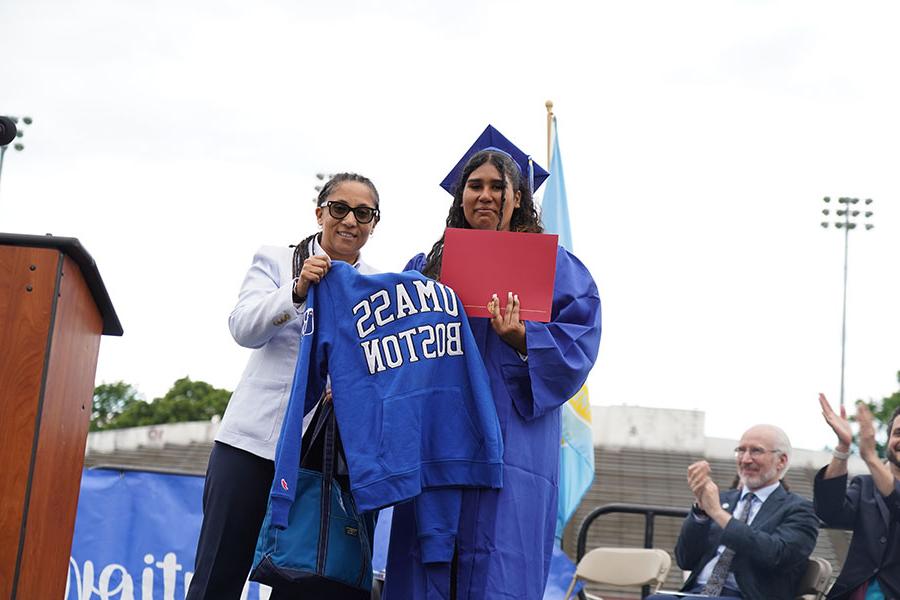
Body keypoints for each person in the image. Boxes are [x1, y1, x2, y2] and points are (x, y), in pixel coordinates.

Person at [383, 125, 602, 600]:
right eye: (474, 185)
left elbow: (579, 343)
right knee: (425, 560)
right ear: (459, 196)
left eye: (497, 186)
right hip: (437, 435)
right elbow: (391, 338)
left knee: (500, 561)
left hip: (513, 440)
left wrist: (525, 339)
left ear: (518, 197)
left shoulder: (557, 268)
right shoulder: (426, 268)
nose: (485, 195)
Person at [186, 173, 381, 600]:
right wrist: (295, 291)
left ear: (373, 224)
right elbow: (243, 328)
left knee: (304, 583)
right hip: (251, 447)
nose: (350, 220)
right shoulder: (277, 260)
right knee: (217, 576)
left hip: (318, 462)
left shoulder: (376, 287)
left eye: (363, 213)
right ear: (320, 212)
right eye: (340, 209)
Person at [646, 424, 819, 600]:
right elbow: (685, 560)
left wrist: (718, 514)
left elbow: (776, 555)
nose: (745, 459)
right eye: (741, 450)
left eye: (756, 451)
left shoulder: (799, 509)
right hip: (697, 593)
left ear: (781, 461)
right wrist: (701, 512)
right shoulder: (722, 500)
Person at [815, 394, 900, 600]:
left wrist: (870, 457)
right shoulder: (865, 485)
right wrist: (843, 448)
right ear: (888, 438)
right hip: (853, 592)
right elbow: (830, 513)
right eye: (898, 433)